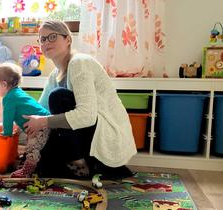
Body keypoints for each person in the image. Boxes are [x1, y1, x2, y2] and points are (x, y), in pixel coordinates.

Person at [22, 20, 137, 179]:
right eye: (42, 39)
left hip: (106, 133)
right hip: (85, 133)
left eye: (52, 37)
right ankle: (93, 167)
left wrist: (43, 121)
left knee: (58, 97)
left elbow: (87, 115)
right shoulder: (55, 75)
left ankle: (81, 164)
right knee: (44, 168)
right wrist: (18, 113)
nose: (46, 42)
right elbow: (40, 110)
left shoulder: (79, 63)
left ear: (68, 39)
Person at [0, 63, 50, 178]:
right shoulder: (17, 93)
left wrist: (6, 133)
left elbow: (7, 120)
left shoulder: (9, 98)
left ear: (4, 84)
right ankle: (29, 165)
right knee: (32, 145)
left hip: (41, 126)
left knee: (33, 148)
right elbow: (14, 124)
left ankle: (26, 171)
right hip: (45, 121)